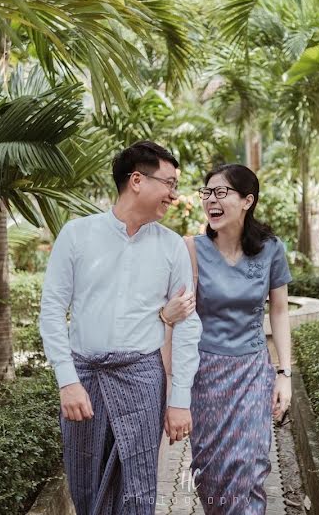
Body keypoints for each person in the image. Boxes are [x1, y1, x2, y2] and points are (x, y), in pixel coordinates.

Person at [39, 141, 202, 515]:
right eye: (170, 184)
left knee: (138, 488)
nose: (174, 196)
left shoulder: (172, 245)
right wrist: (67, 381)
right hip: (86, 379)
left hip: (142, 379)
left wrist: (179, 400)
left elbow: (189, 325)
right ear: (137, 180)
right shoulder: (77, 235)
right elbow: (51, 311)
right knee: (85, 485)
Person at [162, 163, 293, 514]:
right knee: (210, 471)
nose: (211, 200)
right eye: (207, 193)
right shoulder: (190, 248)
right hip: (204, 372)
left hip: (252, 369)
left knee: (249, 466)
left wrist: (284, 375)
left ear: (247, 201)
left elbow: (279, 312)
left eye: (221, 192)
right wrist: (172, 382)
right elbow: (179, 317)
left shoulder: (271, 250)